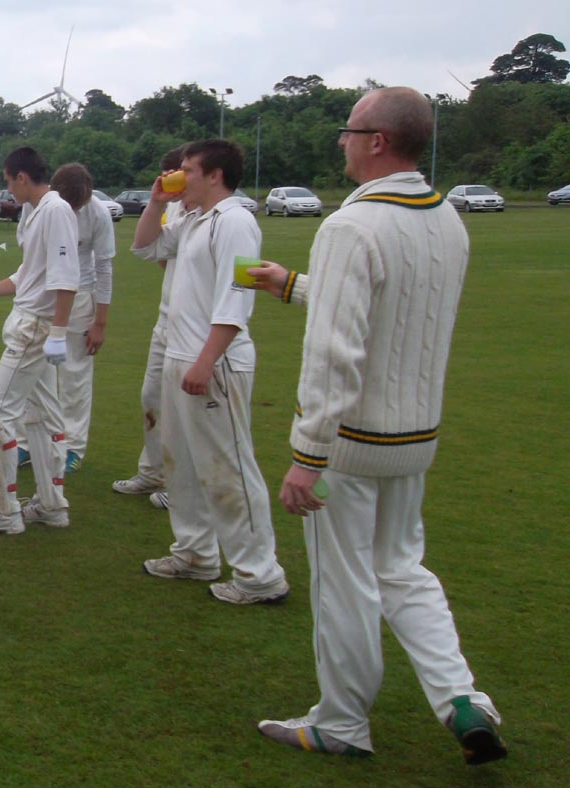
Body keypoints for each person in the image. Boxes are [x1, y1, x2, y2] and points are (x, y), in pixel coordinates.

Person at [253, 87, 507, 765]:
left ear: (375, 141)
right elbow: (381, 303)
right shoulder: (446, 216)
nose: (339, 140)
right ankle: (462, 701)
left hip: (353, 444)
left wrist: (308, 452)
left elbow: (336, 351)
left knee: (344, 582)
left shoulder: (348, 226)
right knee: (402, 568)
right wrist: (291, 285)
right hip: (415, 436)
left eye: (348, 130)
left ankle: (340, 720)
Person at [130, 139, 288, 605]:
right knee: (180, 465)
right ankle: (195, 553)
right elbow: (143, 247)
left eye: (188, 170)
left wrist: (205, 361)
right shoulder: (192, 218)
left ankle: (260, 575)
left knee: (228, 468)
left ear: (215, 175)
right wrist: (158, 201)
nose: (180, 176)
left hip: (214, 362)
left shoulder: (236, 221)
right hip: (181, 356)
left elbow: (237, 298)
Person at [0, 146, 78, 536]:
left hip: (36, 330)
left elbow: (65, 276)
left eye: (9, 182)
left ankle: (4, 512)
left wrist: (57, 333)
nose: (8, 191)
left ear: (22, 177)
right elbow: (30, 272)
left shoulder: (55, 211)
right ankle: (51, 505)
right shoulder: (34, 211)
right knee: (40, 417)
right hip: (31, 323)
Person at [16, 162, 114, 474]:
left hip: (81, 297)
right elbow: (25, 249)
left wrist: (100, 322)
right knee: (31, 370)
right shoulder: (36, 207)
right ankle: (27, 443)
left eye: (78, 207)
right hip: (41, 295)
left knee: (75, 377)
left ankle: (72, 446)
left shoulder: (98, 212)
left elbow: (104, 267)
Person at [112, 145, 186, 505]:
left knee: (186, 411)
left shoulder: (225, 219)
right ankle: (153, 473)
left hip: (195, 330)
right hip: (166, 318)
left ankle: (181, 485)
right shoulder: (174, 208)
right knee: (151, 397)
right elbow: (147, 250)